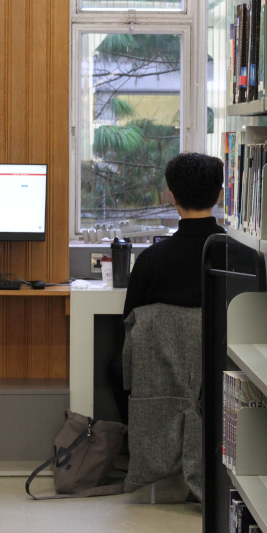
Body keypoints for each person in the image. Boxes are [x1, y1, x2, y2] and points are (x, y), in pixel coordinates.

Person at [109, 151, 226, 425]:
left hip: (162, 375)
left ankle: (144, 439)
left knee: (117, 369)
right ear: (220, 195)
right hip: (222, 372)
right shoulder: (242, 258)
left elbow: (129, 327)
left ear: (172, 197)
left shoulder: (151, 260)